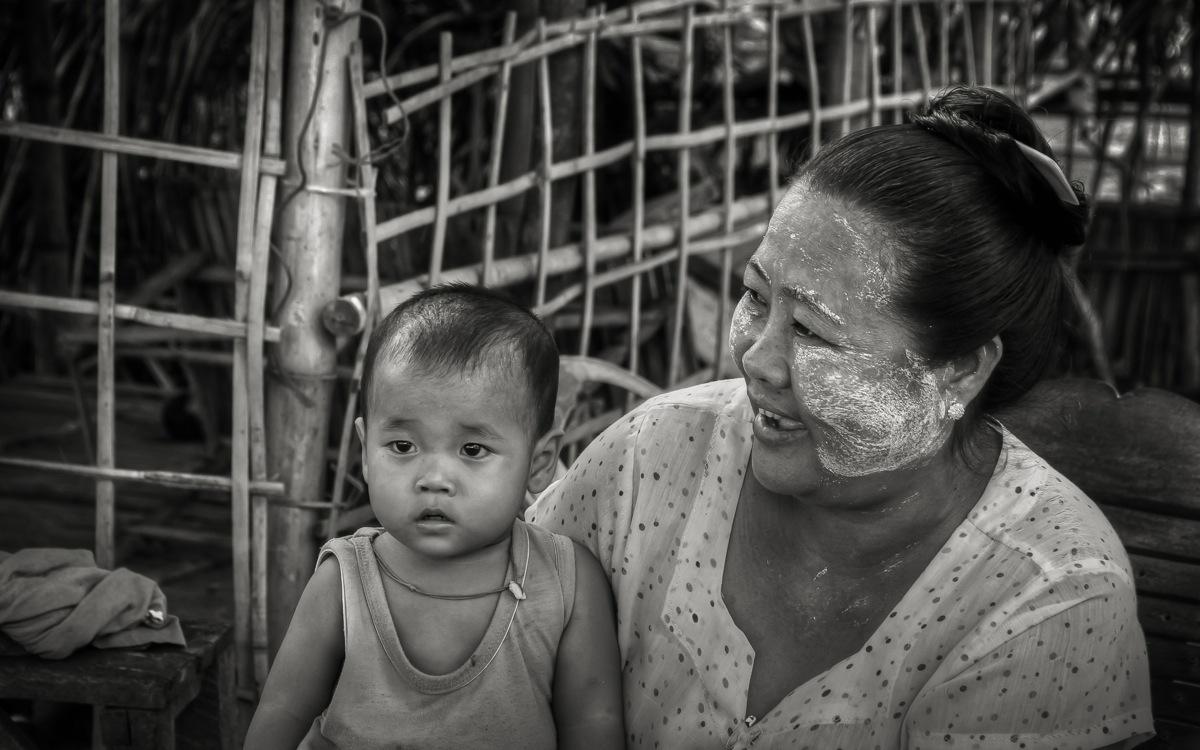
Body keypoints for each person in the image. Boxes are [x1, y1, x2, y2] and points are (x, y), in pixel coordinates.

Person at [529, 86, 1153, 750]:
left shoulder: (1045, 597)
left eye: (813, 333)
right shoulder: (650, 457)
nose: (755, 359)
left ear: (960, 370)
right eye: (754, 294)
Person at [246, 284, 624, 749]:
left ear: (540, 460)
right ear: (365, 451)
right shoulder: (344, 581)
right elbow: (282, 709)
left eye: (472, 449)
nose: (434, 477)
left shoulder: (566, 584)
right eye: (403, 447)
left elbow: (595, 722)